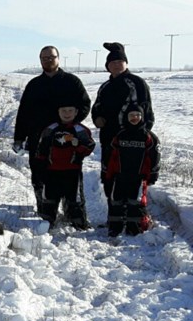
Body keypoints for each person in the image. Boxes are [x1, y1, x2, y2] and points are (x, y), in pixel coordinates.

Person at [13, 46, 91, 217]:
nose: (48, 60)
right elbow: (23, 112)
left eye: (51, 57)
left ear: (58, 58)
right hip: (38, 139)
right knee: (40, 176)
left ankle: (74, 213)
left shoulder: (72, 82)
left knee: (70, 176)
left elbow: (85, 104)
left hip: (66, 141)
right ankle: (45, 211)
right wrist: (19, 137)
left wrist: (71, 124)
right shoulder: (34, 85)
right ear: (40, 60)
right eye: (44, 57)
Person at [90, 42, 155, 215]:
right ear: (107, 66)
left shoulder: (137, 83)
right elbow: (96, 107)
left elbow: (147, 112)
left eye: (120, 61)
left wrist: (144, 134)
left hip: (133, 143)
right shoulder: (105, 86)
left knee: (132, 180)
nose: (116, 64)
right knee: (109, 177)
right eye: (112, 62)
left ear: (126, 63)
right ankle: (115, 216)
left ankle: (134, 217)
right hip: (109, 139)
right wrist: (97, 118)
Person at [35, 100, 96, 229]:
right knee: (49, 198)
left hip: (72, 170)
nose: (67, 114)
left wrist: (78, 146)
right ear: (58, 112)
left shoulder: (80, 129)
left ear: (76, 112)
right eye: (63, 110)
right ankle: (47, 224)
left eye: (70, 111)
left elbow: (89, 147)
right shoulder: (50, 129)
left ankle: (79, 224)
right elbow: (41, 148)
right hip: (52, 170)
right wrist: (41, 165)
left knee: (75, 199)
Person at [103, 102, 161, 236]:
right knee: (116, 200)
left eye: (137, 115)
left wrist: (153, 173)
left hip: (139, 176)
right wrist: (107, 172)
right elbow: (109, 155)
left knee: (136, 202)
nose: (134, 118)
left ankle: (134, 227)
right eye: (131, 115)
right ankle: (115, 226)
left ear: (142, 117)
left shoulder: (149, 137)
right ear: (126, 117)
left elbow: (155, 156)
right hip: (120, 175)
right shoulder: (119, 136)